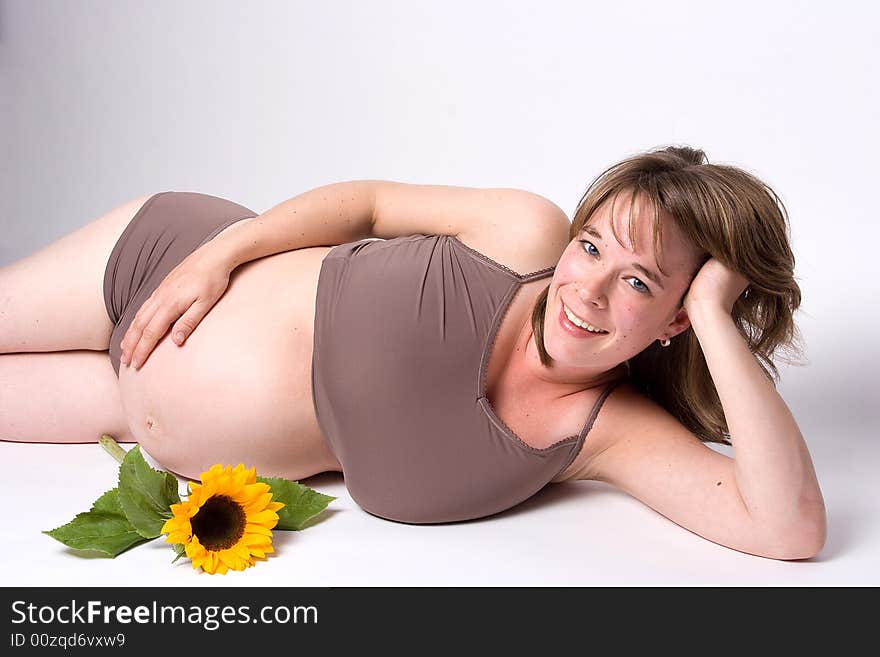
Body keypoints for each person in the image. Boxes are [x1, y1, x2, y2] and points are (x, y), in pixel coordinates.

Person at [0, 145, 826, 560]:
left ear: (677, 320)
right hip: (157, 258)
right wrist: (223, 252)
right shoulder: (522, 236)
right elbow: (368, 204)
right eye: (592, 246)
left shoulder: (605, 432)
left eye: (642, 283)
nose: (590, 290)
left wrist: (719, 314)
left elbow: (787, 527)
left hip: (120, 409)